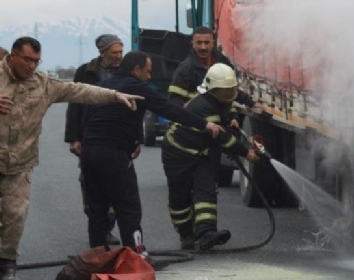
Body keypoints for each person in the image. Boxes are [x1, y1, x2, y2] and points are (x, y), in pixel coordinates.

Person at [0, 36, 144, 280]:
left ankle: (7, 264)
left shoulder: (43, 84)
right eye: (26, 60)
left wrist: (114, 95)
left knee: (15, 215)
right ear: (12, 56)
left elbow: (80, 91)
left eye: (36, 61)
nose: (31, 66)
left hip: (19, 164)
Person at [80, 51, 222, 264]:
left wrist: (135, 140)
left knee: (98, 207)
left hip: (89, 152)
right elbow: (169, 109)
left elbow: (99, 117)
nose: (149, 77)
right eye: (147, 72)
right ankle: (135, 256)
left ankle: (97, 258)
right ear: (136, 70)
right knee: (128, 206)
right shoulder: (138, 87)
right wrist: (204, 124)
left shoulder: (105, 85)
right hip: (113, 154)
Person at [162, 63, 260, 251]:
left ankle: (206, 233)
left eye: (230, 90)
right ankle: (186, 235)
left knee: (206, 191)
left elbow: (233, 99)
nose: (228, 95)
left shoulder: (221, 95)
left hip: (202, 154)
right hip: (178, 153)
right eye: (223, 92)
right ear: (211, 89)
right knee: (179, 197)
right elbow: (223, 137)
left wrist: (235, 114)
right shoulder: (203, 106)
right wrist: (246, 152)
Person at [64, 34, 125, 245]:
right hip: (89, 137)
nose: (118, 57)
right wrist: (73, 138)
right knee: (90, 184)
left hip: (117, 138)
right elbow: (75, 105)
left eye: (120, 52)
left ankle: (107, 226)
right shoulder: (86, 72)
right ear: (102, 53)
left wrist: (136, 139)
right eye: (114, 53)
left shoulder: (126, 71)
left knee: (117, 184)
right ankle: (98, 225)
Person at [167, 26, 265, 111]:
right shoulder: (185, 69)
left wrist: (251, 103)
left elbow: (229, 90)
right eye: (199, 43)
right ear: (193, 43)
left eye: (206, 42)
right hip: (197, 121)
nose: (203, 47)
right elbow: (174, 100)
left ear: (213, 43)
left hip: (220, 121)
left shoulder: (223, 62)